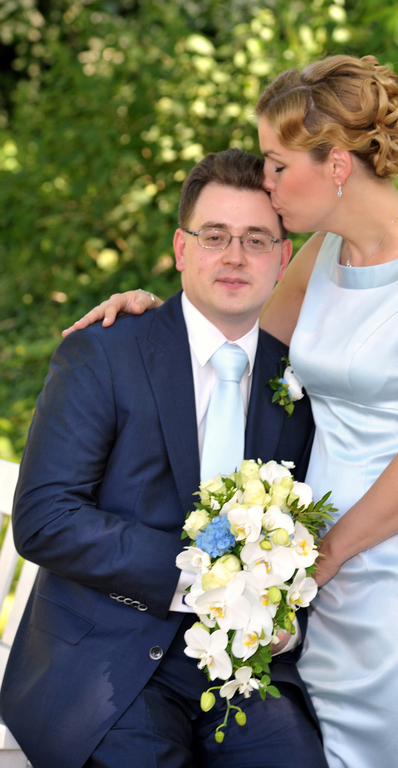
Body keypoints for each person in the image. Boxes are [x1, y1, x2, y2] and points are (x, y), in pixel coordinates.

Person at [59, 56, 398, 768]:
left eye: (276, 164)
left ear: (337, 166)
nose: (265, 182)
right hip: (324, 580)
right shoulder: (322, 254)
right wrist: (149, 316)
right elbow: (235, 334)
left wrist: (322, 559)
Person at [0, 149, 329, 768]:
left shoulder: (299, 384)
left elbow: (307, 530)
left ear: (283, 258)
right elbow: (45, 518)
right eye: (215, 236)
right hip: (106, 661)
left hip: (245, 667)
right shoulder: (106, 353)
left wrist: (286, 617)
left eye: (256, 239)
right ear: (181, 249)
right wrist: (200, 578)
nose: (235, 256)